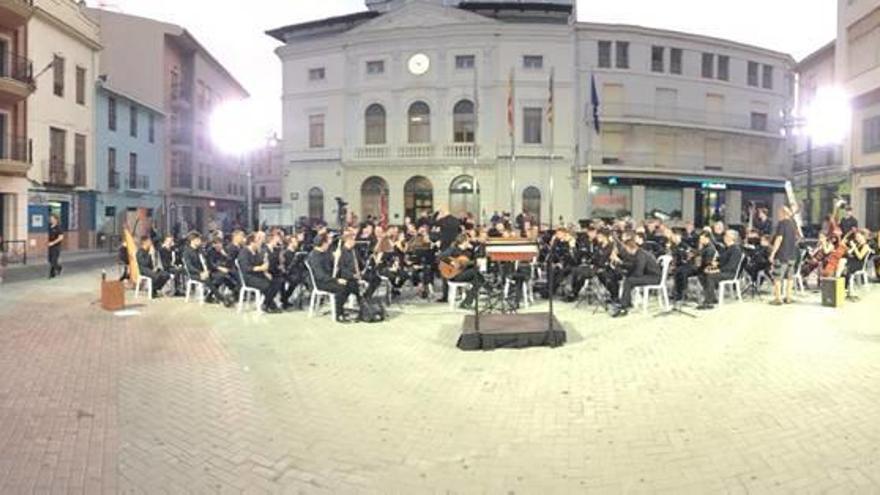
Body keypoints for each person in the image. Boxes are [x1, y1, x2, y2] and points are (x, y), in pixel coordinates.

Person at [306, 233, 361, 323]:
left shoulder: (325, 253)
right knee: (342, 288)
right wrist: (337, 280)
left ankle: (347, 308)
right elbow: (320, 276)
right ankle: (338, 314)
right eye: (327, 243)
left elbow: (334, 265)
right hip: (321, 282)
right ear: (323, 243)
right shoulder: (314, 256)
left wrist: (336, 257)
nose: (329, 244)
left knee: (351, 283)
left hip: (329, 279)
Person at [611, 238, 662, 318]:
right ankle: (627, 302)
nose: (625, 251)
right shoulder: (638, 253)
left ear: (629, 247)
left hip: (654, 278)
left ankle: (624, 307)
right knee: (629, 279)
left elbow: (638, 272)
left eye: (626, 248)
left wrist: (627, 274)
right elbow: (632, 265)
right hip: (649, 275)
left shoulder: (641, 255)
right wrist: (620, 264)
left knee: (629, 281)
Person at [238, 233, 284, 313]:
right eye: (257, 241)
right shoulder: (244, 252)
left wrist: (265, 271)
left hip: (258, 275)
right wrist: (260, 268)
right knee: (267, 285)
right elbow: (246, 268)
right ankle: (270, 304)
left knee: (277, 281)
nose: (259, 243)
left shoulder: (256, 252)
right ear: (252, 242)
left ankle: (266, 303)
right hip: (249, 277)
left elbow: (262, 263)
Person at [769, 206, 800, 305]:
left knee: (778, 277)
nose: (778, 215)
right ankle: (788, 297)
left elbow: (779, 239)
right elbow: (799, 237)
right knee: (790, 277)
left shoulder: (782, 224)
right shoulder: (793, 224)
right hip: (792, 255)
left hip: (782, 255)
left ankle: (778, 298)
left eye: (779, 213)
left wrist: (773, 253)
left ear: (783, 213)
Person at [47, 214, 64, 278]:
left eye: (52, 219)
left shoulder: (58, 227)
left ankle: (52, 274)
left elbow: (61, 238)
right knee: (50, 260)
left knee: (54, 260)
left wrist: (53, 243)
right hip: (50, 246)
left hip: (56, 246)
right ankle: (58, 268)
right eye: (50, 219)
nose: (51, 220)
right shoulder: (49, 226)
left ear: (56, 220)